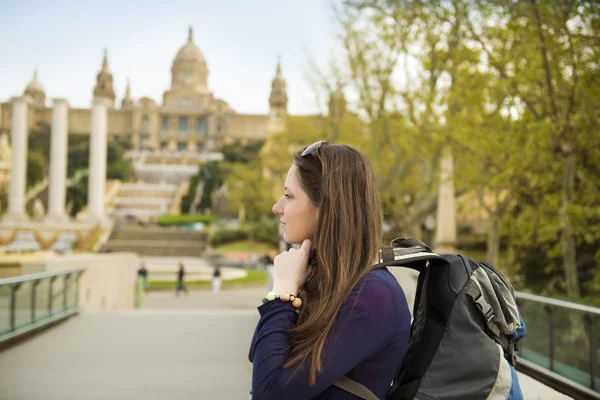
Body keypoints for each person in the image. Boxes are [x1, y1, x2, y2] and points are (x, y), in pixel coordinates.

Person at [248, 141, 411, 399]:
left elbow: (268, 392)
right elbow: (261, 356)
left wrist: (281, 293)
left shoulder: (372, 296)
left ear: (325, 208)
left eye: (289, 196)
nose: (277, 207)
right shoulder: (328, 280)